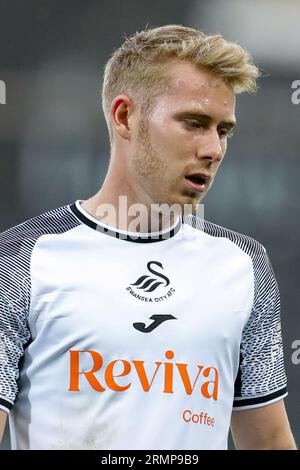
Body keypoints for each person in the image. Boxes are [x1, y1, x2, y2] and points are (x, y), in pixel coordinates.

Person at [0, 24, 296, 450]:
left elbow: (269, 443)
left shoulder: (244, 265)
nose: (212, 148)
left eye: (223, 130)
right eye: (193, 123)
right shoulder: (21, 260)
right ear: (125, 117)